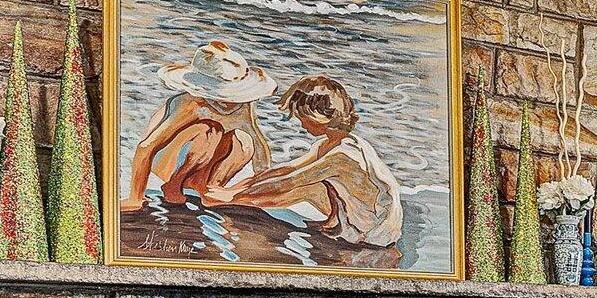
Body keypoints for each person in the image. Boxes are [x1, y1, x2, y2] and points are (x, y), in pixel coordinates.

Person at [204, 74, 406, 267]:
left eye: (301, 116)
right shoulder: (328, 144)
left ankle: (228, 202)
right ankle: (229, 197)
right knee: (309, 189)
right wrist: (239, 186)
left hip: (375, 231)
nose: (300, 123)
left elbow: (289, 182)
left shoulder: (343, 156)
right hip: (360, 213)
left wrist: (233, 196)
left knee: (305, 190)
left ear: (317, 116)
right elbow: (287, 169)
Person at [125, 41, 275, 207]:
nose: (230, 102)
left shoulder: (243, 105)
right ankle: (174, 184)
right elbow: (146, 147)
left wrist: (262, 184)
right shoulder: (191, 104)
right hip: (167, 161)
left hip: (203, 164)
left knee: (244, 141)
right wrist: (136, 197)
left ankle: (209, 187)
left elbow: (257, 144)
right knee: (210, 130)